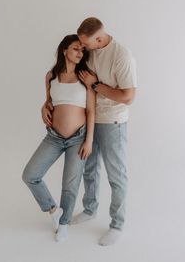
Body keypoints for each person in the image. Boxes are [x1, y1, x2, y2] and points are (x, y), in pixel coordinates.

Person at [42, 17, 137, 246]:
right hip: (88, 121)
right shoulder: (91, 51)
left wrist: (96, 85)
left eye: (86, 45)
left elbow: (128, 97)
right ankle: (90, 208)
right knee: (89, 167)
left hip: (113, 121)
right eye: (81, 46)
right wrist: (46, 104)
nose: (83, 50)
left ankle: (117, 224)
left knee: (117, 174)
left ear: (99, 38)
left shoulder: (121, 56)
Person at [22, 34, 95, 242]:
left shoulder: (86, 76)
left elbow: (91, 110)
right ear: (64, 50)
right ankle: (55, 211)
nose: (80, 53)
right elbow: (49, 102)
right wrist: (43, 107)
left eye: (82, 50)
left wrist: (89, 140)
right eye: (75, 48)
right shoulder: (51, 76)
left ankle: (63, 225)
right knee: (30, 175)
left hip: (78, 138)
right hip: (53, 137)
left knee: (70, 185)